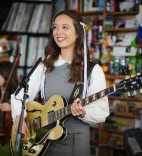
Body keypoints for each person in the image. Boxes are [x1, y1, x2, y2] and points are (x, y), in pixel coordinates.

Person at [11, 10, 109, 156]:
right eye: (55, 27)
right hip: (41, 141)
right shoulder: (43, 66)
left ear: (77, 33)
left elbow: (102, 112)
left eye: (65, 27)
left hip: (75, 143)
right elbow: (18, 96)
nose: (58, 32)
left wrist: (83, 112)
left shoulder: (93, 70)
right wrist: (19, 119)